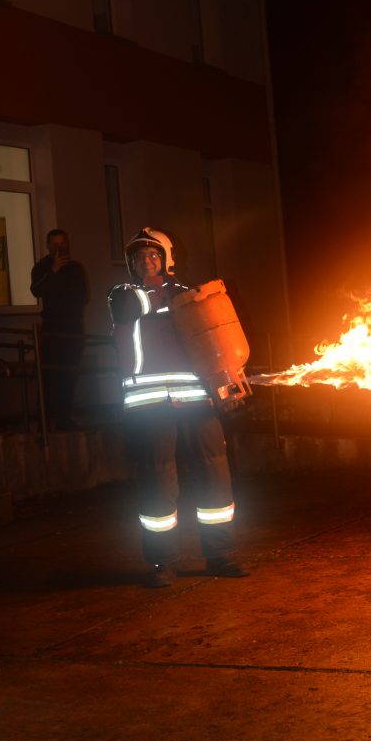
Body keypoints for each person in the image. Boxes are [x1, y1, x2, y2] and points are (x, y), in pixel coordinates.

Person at [108, 227, 249, 587]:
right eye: (139, 256)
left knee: (214, 471)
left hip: (197, 397)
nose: (146, 261)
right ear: (131, 263)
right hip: (149, 402)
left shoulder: (188, 293)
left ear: (167, 259)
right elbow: (135, 308)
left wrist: (228, 383)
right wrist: (183, 297)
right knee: (157, 480)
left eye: (153, 255)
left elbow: (215, 338)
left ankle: (221, 555)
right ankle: (163, 563)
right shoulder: (123, 294)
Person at [30, 230, 89, 431]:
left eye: (62, 244)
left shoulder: (75, 268)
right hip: (52, 328)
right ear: (48, 246)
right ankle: (44, 420)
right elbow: (36, 290)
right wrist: (53, 271)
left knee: (69, 373)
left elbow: (83, 296)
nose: (59, 248)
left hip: (72, 327)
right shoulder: (42, 267)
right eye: (55, 244)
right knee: (49, 375)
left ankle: (64, 417)